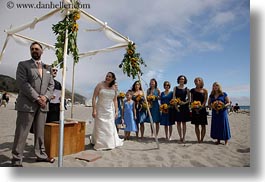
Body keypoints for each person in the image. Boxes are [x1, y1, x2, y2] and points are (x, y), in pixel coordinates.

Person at [11, 42, 55, 167]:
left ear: (42, 51)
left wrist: (45, 97)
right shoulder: (23, 65)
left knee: (40, 133)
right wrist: (37, 98)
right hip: (27, 105)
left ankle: (41, 155)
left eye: (37, 48)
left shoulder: (48, 68)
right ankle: (16, 159)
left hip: (43, 106)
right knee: (22, 132)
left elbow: (51, 85)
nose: (34, 50)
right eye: (32, 49)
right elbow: (22, 83)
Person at [91, 72, 123, 150]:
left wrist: (116, 111)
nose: (107, 77)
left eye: (110, 77)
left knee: (109, 126)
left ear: (112, 79)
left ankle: (109, 143)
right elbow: (94, 97)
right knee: (100, 126)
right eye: (107, 76)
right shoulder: (100, 85)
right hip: (100, 109)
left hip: (109, 109)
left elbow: (115, 100)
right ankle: (100, 143)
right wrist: (94, 110)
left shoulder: (114, 87)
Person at [171, 75, 191, 143]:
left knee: (184, 123)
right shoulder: (175, 88)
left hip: (184, 107)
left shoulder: (187, 89)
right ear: (178, 80)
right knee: (178, 123)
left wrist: (184, 103)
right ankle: (180, 137)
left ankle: (184, 137)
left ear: (184, 80)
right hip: (177, 106)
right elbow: (174, 97)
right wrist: (176, 106)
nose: (181, 80)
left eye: (183, 79)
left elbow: (189, 99)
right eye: (180, 79)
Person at [190, 77, 208, 143]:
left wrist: (200, 107)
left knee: (203, 125)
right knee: (196, 125)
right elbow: (191, 100)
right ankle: (198, 139)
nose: (196, 82)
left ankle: (202, 139)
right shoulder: (192, 90)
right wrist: (194, 107)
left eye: (198, 80)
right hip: (194, 109)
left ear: (201, 82)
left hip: (202, 109)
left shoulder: (205, 90)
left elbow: (205, 100)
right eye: (195, 81)